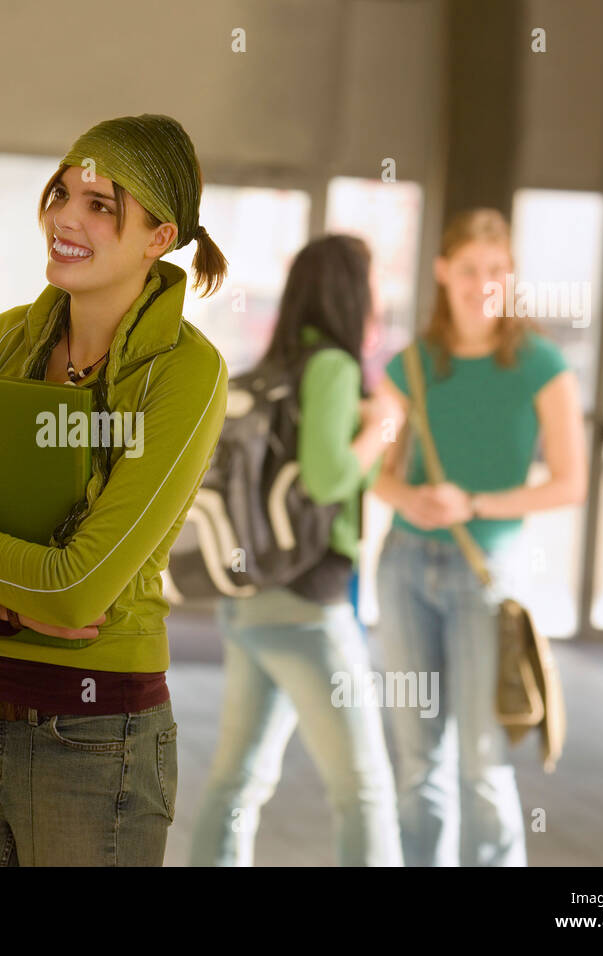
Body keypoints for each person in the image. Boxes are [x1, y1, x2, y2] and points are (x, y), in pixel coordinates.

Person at [0, 113, 230, 866]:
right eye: (62, 192)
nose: (66, 216)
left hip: (98, 742)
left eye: (102, 205)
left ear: (159, 238)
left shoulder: (184, 373)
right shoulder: (3, 343)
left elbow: (78, 595)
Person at [371, 208, 587, 866]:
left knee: (482, 766)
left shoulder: (540, 365)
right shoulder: (413, 364)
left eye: (495, 270)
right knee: (415, 763)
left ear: (510, 274)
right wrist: (412, 497)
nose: (482, 283)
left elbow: (571, 483)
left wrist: (474, 502)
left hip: (486, 572)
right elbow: (376, 470)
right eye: (468, 269)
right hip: (404, 566)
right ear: (443, 272)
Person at [188, 235, 403, 866]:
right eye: (375, 281)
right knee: (364, 788)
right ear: (351, 291)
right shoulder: (332, 365)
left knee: (238, 782)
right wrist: (382, 426)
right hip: (310, 605)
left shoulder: (276, 366)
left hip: (254, 599)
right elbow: (327, 477)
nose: (380, 295)